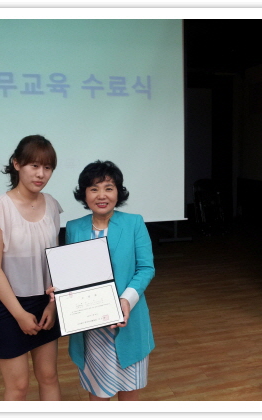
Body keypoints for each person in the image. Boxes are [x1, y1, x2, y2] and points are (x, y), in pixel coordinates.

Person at [49, 160, 155, 401]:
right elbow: (72, 272)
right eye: (94, 189)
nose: (101, 195)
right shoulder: (74, 228)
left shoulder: (134, 223)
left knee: (130, 398)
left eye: (109, 188)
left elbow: (145, 268)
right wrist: (61, 290)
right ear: (84, 194)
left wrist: (126, 300)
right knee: (98, 398)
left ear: (118, 192)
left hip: (129, 322)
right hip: (91, 328)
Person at [0, 135, 62, 401]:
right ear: (16, 164)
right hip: (7, 306)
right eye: (34, 165)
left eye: (47, 167)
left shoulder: (52, 204)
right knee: (19, 386)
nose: (41, 174)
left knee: (49, 377)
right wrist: (20, 314)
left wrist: (53, 305)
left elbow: (55, 260)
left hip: (44, 302)